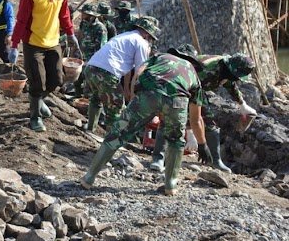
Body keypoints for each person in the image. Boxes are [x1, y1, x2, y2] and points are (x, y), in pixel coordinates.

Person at [80, 49, 211, 196]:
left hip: (149, 91)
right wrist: (202, 144)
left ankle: (89, 177)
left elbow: (139, 72)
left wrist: (135, 97)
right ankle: (170, 185)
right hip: (177, 99)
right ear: (192, 60)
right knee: (176, 140)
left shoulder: (160, 56)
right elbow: (196, 119)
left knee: (118, 132)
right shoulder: (193, 74)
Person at [150, 44, 257, 173]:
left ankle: (215, 161)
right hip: (180, 88)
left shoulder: (228, 72)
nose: (236, 79)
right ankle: (158, 158)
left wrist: (242, 104)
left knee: (211, 125)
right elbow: (193, 110)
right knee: (169, 120)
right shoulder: (207, 68)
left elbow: (230, 85)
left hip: (197, 92)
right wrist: (191, 132)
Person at [10, 0, 80, 132]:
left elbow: (64, 14)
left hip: (53, 41)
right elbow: (21, 20)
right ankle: (35, 117)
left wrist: (70, 33)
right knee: (37, 82)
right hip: (33, 43)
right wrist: (14, 45)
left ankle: (38, 102)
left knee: (57, 79)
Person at [83, 16, 159, 133]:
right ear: (148, 35)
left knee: (96, 98)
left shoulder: (124, 36)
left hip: (91, 67)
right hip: (107, 73)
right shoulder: (142, 43)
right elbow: (139, 72)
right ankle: (109, 143)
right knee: (115, 109)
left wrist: (126, 89)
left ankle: (90, 129)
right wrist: (136, 94)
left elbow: (127, 68)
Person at [73, 3, 107, 97]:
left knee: (89, 84)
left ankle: (87, 101)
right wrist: (75, 51)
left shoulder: (100, 28)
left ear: (91, 15)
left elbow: (101, 49)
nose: (82, 15)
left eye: (84, 13)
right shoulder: (83, 23)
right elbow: (80, 37)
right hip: (81, 56)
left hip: (92, 60)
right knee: (77, 79)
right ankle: (77, 97)